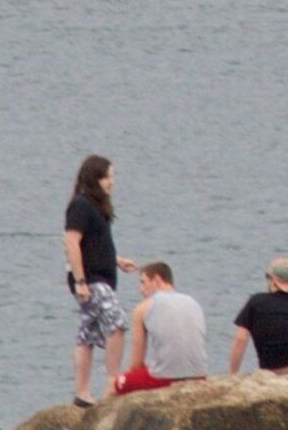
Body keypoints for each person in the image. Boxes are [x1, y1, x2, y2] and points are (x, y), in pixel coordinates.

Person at [62, 155, 126, 403]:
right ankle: (113, 382)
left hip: (100, 276)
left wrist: (117, 260)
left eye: (112, 177)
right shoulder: (80, 205)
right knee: (117, 324)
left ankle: (82, 393)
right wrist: (80, 281)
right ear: (95, 178)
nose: (111, 182)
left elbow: (96, 245)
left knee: (87, 334)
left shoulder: (96, 207)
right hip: (90, 280)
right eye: (108, 176)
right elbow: (72, 242)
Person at [112, 262, 208, 394]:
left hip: (166, 378)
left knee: (114, 383)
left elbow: (136, 364)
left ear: (157, 280)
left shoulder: (143, 308)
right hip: (199, 375)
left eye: (143, 282)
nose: (141, 289)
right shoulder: (193, 302)